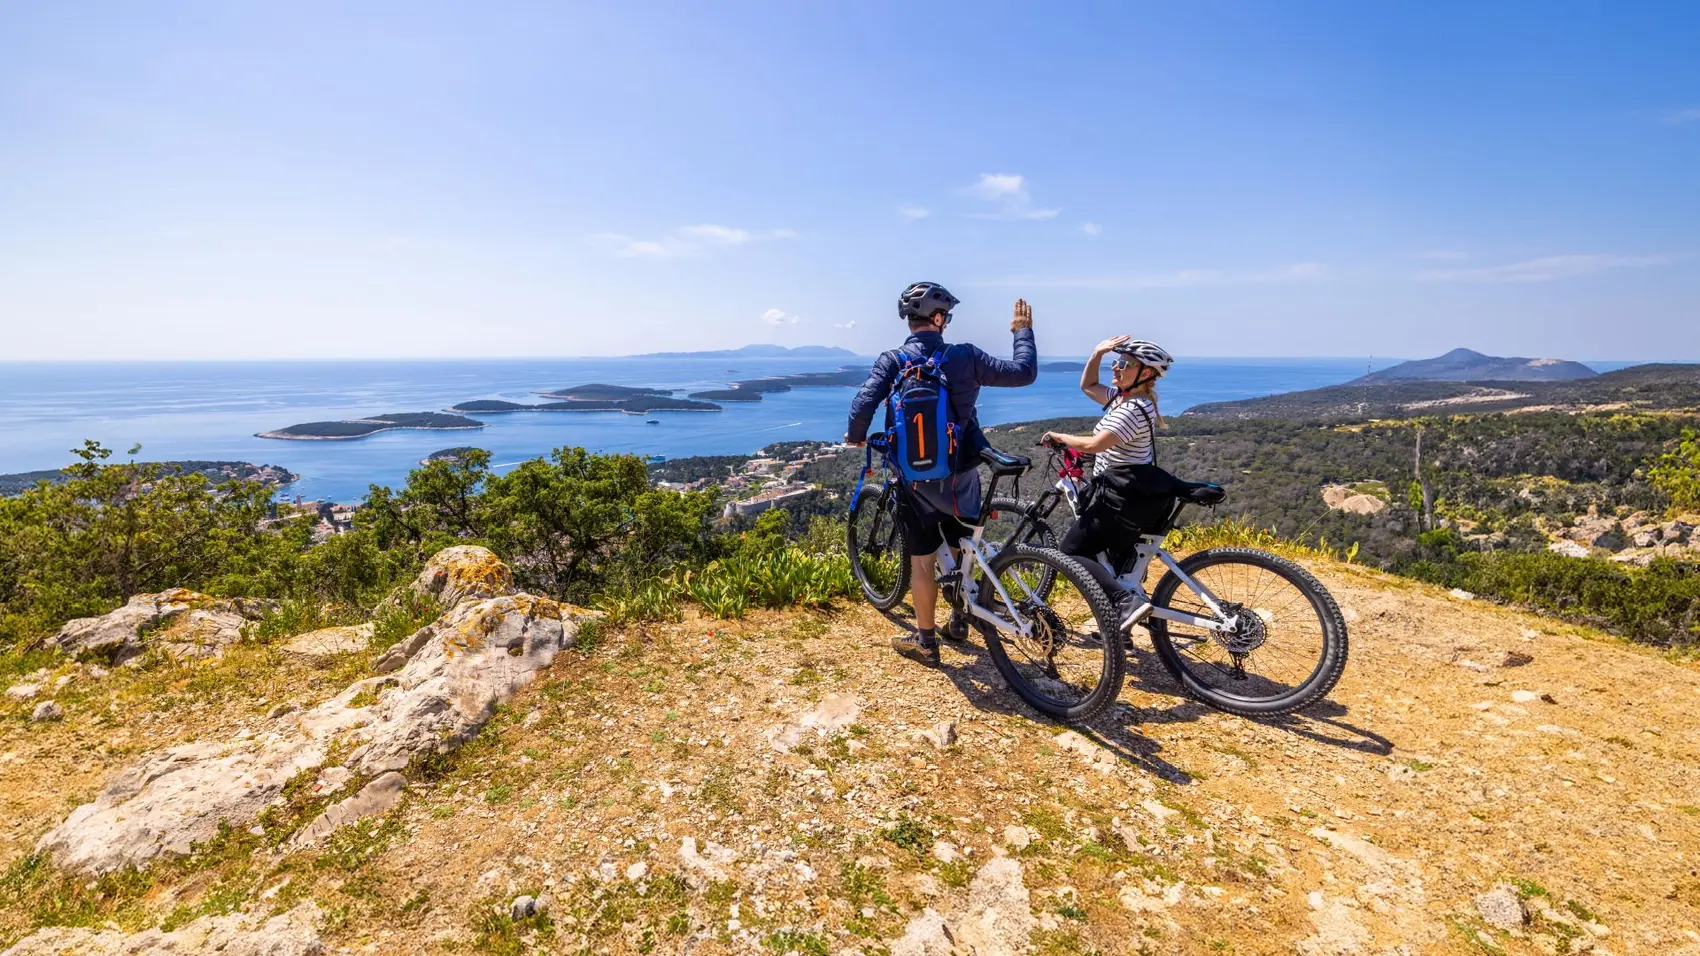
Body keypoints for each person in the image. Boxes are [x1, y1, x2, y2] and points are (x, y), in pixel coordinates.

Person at [847, 282, 1037, 665]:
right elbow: (1023, 373)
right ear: (938, 318)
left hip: (913, 481)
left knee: (921, 562)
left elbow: (864, 401)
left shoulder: (893, 359)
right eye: (946, 316)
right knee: (960, 547)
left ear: (911, 320)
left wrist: (855, 436)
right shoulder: (964, 356)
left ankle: (926, 643)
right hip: (961, 476)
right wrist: (1021, 331)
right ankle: (959, 618)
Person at [1041, 337, 1174, 602]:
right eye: (1115, 361)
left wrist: (1060, 437)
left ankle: (1125, 604)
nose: (1116, 367)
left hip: (1120, 501)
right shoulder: (1123, 399)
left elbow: (1095, 445)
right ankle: (1121, 620)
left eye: (1124, 364)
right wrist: (1096, 354)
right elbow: (1088, 385)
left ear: (1145, 373)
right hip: (1127, 494)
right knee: (1116, 567)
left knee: (1069, 554)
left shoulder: (1132, 409)